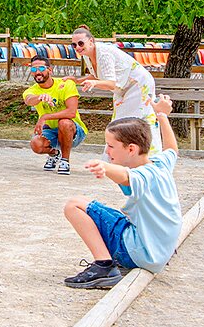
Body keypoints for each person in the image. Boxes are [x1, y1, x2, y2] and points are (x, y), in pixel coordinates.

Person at [62, 95, 182, 289]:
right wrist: (162, 115)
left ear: (131, 149)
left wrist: (105, 167)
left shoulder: (143, 176)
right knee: (114, 213)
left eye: (111, 146)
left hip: (139, 254)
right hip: (159, 251)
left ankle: (104, 266)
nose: (107, 151)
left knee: (74, 205)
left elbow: (126, 176)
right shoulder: (160, 164)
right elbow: (172, 150)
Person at [71, 26, 159, 152]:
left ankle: (141, 155)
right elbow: (98, 75)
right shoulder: (87, 55)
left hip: (138, 85)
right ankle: (122, 156)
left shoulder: (104, 54)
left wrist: (94, 83)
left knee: (127, 125)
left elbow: (110, 84)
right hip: (122, 88)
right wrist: (77, 80)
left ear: (91, 41)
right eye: (74, 45)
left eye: (81, 43)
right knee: (120, 124)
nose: (78, 47)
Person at [23, 54, 87, 174]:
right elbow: (28, 100)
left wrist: (45, 117)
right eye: (34, 69)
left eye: (41, 68)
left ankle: (65, 161)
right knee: (36, 144)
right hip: (51, 131)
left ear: (50, 70)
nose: (38, 72)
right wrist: (39, 97)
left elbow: (71, 112)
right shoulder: (32, 90)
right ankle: (54, 154)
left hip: (74, 131)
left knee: (64, 122)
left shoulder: (66, 84)